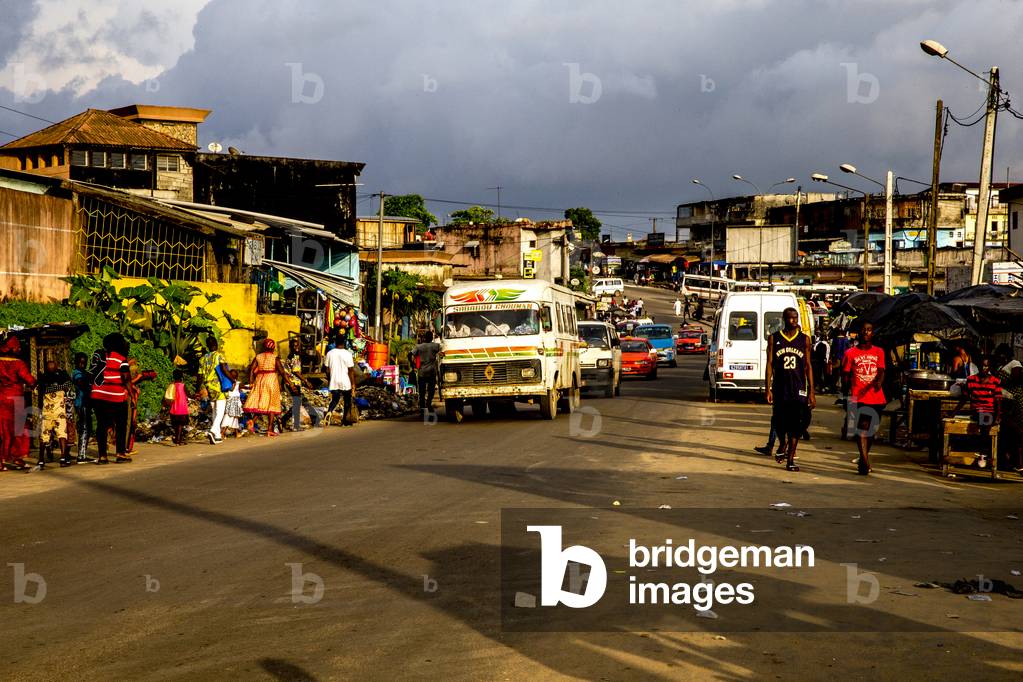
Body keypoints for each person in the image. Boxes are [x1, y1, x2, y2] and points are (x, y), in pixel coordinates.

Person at [765, 307, 815, 472]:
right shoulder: (774, 338)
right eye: (790, 318)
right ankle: (782, 444)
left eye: (796, 318)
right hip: (780, 388)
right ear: (784, 319)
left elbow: (808, 366)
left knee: (797, 425)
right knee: (779, 423)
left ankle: (791, 459)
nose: (794, 321)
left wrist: (812, 392)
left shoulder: (805, 340)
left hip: (799, 389)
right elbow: (770, 364)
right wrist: (768, 388)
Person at [842, 321, 886, 476]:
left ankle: (863, 457)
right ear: (858, 333)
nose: (866, 333)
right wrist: (846, 394)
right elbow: (845, 375)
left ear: (872, 333)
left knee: (871, 431)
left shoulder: (879, 352)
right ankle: (865, 462)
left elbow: (881, 370)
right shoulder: (850, 353)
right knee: (862, 428)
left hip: (876, 397)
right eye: (864, 330)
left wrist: (879, 383)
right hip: (858, 396)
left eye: (869, 330)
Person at [90, 332, 133, 464]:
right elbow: (125, 379)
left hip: (98, 396)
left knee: (101, 426)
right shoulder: (121, 359)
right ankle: (120, 454)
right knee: (120, 425)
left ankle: (102, 456)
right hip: (116, 397)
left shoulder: (99, 356)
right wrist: (131, 394)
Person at [0, 336, 36, 472]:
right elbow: (30, 380)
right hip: (16, 400)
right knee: (19, 429)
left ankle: (1, 461)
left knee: (3, 430)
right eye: (17, 347)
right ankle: (17, 458)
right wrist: (35, 384)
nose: (19, 349)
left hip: (2, 399)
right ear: (13, 348)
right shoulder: (19, 363)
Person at [244, 339, 286, 436]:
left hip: (259, 380)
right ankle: (270, 429)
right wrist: (290, 383)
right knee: (272, 404)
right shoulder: (275, 358)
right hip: (271, 381)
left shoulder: (258, 357)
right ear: (273, 347)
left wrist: (251, 382)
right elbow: (282, 372)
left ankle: (252, 421)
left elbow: (252, 369)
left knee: (261, 403)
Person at [37, 360, 73, 466]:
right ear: (57, 368)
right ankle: (62, 458)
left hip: (46, 412)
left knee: (44, 436)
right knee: (62, 434)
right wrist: (61, 387)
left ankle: (41, 460)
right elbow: (68, 384)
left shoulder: (43, 379)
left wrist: (51, 388)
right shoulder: (62, 377)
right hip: (59, 411)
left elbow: (41, 389)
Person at [198, 338, 231, 445]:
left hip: (209, 386)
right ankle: (212, 430)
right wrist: (232, 379)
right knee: (220, 411)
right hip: (218, 386)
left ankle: (216, 436)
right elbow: (224, 369)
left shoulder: (203, 358)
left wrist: (198, 387)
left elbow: (200, 375)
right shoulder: (219, 355)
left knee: (214, 410)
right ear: (216, 344)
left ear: (207, 346)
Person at [124, 359, 157, 455]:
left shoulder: (132, 375)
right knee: (129, 422)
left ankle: (127, 447)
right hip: (129, 399)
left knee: (130, 422)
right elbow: (128, 383)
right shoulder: (133, 376)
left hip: (130, 398)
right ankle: (126, 448)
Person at [324, 342, 356, 426]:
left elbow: (327, 369)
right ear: (344, 343)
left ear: (335, 343)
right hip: (345, 381)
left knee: (335, 399)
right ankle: (345, 421)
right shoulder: (348, 354)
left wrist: (330, 379)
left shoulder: (329, 353)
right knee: (347, 400)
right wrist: (353, 383)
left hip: (334, 380)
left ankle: (329, 412)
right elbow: (351, 370)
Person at [70, 352, 93, 462]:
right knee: (84, 428)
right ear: (76, 362)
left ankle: (82, 453)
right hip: (81, 403)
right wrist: (88, 376)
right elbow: (80, 382)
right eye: (80, 363)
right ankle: (81, 455)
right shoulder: (77, 373)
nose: (82, 365)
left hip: (87, 403)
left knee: (88, 428)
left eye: (84, 363)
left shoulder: (84, 372)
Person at [412, 332, 441, 412]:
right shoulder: (435, 346)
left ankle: (422, 408)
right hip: (431, 372)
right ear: (432, 338)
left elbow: (410, 354)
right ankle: (428, 402)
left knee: (422, 391)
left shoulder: (419, 347)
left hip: (422, 372)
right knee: (431, 390)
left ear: (424, 337)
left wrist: (412, 365)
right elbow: (443, 349)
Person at [163, 370, 191, 446]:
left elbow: (167, 396)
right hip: (182, 408)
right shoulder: (183, 385)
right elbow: (189, 394)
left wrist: (164, 405)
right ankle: (178, 440)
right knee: (180, 425)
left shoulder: (171, 385)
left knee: (176, 425)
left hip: (174, 408)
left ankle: (178, 439)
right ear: (182, 377)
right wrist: (196, 395)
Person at [222, 369, 244, 438]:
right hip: (234, 402)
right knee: (231, 417)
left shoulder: (228, 382)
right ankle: (222, 432)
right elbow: (232, 389)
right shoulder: (234, 383)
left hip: (232, 401)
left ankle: (236, 433)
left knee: (235, 417)